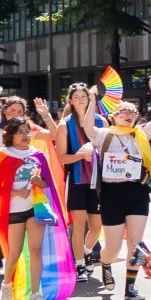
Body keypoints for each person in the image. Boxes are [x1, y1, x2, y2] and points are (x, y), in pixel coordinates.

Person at [81, 73, 151, 300]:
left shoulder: (141, 133)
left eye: (132, 113)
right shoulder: (105, 135)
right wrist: (92, 100)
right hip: (112, 194)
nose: (128, 115)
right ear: (114, 117)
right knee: (112, 246)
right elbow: (88, 127)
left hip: (137, 191)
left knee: (135, 243)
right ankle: (106, 264)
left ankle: (130, 288)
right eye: (124, 112)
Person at [0, 107, 66, 300]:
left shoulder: (38, 155)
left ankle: (35, 294)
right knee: (14, 252)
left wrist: (37, 181)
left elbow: (47, 183)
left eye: (27, 131)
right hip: (13, 211)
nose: (25, 135)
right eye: (20, 132)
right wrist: (16, 194)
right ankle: (7, 285)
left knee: (35, 250)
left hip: (35, 208)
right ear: (11, 135)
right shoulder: (4, 155)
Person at [57, 84, 103, 282]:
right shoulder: (64, 125)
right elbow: (62, 158)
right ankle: (79, 264)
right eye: (76, 96)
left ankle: (86, 251)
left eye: (84, 96)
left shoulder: (101, 121)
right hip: (77, 180)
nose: (81, 99)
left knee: (96, 226)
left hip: (99, 179)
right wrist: (79, 156)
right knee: (78, 224)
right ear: (70, 101)